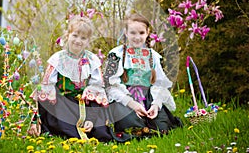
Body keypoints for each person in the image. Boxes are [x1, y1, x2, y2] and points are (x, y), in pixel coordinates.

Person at [28, 15, 112, 142]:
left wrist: (91, 118)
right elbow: (45, 90)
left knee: (100, 130)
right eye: (75, 35)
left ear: (88, 41)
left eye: (83, 38)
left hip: (85, 104)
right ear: (68, 35)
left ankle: (89, 124)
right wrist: (35, 120)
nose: (78, 41)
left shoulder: (92, 60)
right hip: (64, 104)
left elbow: (96, 89)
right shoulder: (58, 59)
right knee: (62, 123)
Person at [103, 13, 182, 141]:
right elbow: (110, 86)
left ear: (147, 33)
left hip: (147, 98)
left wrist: (156, 105)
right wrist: (132, 104)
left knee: (162, 127)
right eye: (133, 33)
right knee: (131, 127)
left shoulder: (153, 56)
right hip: (124, 99)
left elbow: (159, 84)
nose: (137, 37)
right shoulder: (116, 54)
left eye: (141, 33)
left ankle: (151, 119)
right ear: (126, 32)